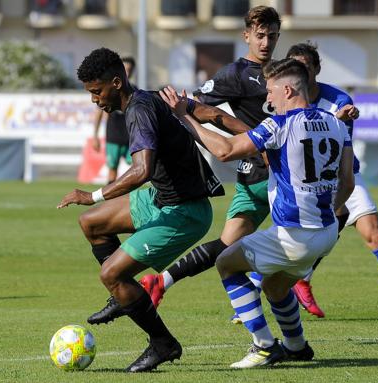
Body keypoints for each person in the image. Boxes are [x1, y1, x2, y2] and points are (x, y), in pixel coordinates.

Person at [158, 58, 355, 368]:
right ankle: (296, 345)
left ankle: (264, 346)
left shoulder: (278, 125)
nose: (267, 99)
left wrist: (185, 117)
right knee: (275, 286)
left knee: (226, 263)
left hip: (295, 234)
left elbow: (223, 151)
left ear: (288, 90)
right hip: (327, 233)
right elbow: (348, 181)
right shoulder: (336, 123)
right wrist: (330, 207)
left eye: (271, 91)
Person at [57, 47, 224, 372]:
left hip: (184, 213)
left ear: (116, 83)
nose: (94, 99)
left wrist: (92, 195)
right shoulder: (145, 99)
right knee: (91, 224)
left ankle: (163, 343)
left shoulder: (139, 110)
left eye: (96, 91)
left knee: (111, 273)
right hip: (160, 199)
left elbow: (141, 170)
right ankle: (122, 295)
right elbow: (203, 112)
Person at [139, 5, 281, 320]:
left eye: (272, 36)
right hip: (266, 177)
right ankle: (273, 291)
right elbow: (200, 105)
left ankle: (161, 280)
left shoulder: (283, 73)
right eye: (260, 36)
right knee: (297, 243)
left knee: (227, 247)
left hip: (261, 176)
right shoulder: (237, 73)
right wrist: (172, 105)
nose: (265, 43)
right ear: (247, 35)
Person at [285, 41, 378, 324]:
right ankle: (250, 299)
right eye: (295, 68)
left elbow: (340, 139)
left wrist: (342, 118)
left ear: (316, 68)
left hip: (344, 179)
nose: (301, 73)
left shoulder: (338, 99)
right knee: (288, 244)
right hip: (305, 186)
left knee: (375, 235)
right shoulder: (285, 100)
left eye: (306, 67)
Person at [92, 56, 135, 184]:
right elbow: (99, 112)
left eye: (130, 69)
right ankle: (110, 202)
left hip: (131, 136)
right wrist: (95, 136)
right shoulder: (108, 89)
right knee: (112, 170)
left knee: (136, 168)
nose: (127, 72)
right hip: (113, 135)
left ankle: (129, 200)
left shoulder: (135, 90)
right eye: (125, 69)